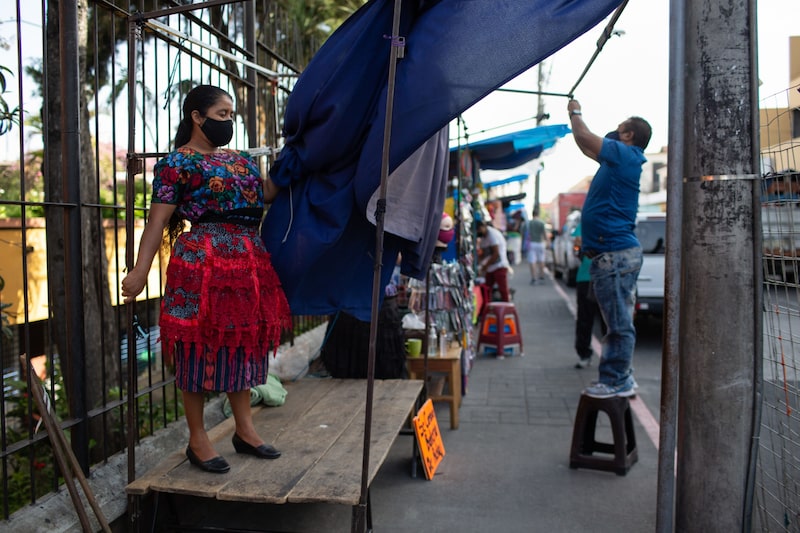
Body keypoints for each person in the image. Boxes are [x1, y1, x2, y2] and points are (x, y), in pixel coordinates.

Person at [121, 85, 292, 473]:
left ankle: (245, 430)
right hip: (201, 264)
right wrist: (140, 270)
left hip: (248, 262)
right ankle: (197, 440)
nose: (229, 122)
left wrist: (291, 162)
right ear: (197, 117)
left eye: (231, 115)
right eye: (221, 115)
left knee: (242, 343)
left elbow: (264, 194)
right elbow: (157, 221)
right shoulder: (176, 163)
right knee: (196, 346)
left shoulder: (242, 160)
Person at [567, 98, 651, 398]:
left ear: (628, 136)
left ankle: (616, 379)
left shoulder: (625, 154)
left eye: (620, 129)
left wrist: (575, 113)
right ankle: (621, 376)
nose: (614, 132)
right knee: (618, 321)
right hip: (613, 254)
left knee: (617, 324)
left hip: (614, 254)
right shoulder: (618, 158)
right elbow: (587, 146)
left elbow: (585, 137)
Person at [572, 221, 605, 369]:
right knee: (586, 319)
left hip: (603, 276)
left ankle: (605, 357)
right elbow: (577, 241)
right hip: (588, 277)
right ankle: (585, 354)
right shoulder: (588, 220)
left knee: (606, 320)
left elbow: (578, 241)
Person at [476, 219, 511, 302]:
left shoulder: (492, 235)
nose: (478, 232)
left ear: (483, 227)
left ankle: (506, 307)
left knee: (503, 290)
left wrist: (484, 266)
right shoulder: (484, 237)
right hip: (491, 267)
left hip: (499, 265)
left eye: (479, 229)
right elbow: (484, 253)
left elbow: (496, 254)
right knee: (488, 288)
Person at [526, 208, 547, 284]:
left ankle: (534, 278)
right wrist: (547, 242)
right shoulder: (541, 223)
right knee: (541, 260)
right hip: (540, 243)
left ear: (532, 214)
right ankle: (541, 276)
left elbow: (526, 234)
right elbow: (544, 234)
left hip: (532, 243)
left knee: (532, 261)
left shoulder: (529, 223)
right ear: (538, 214)